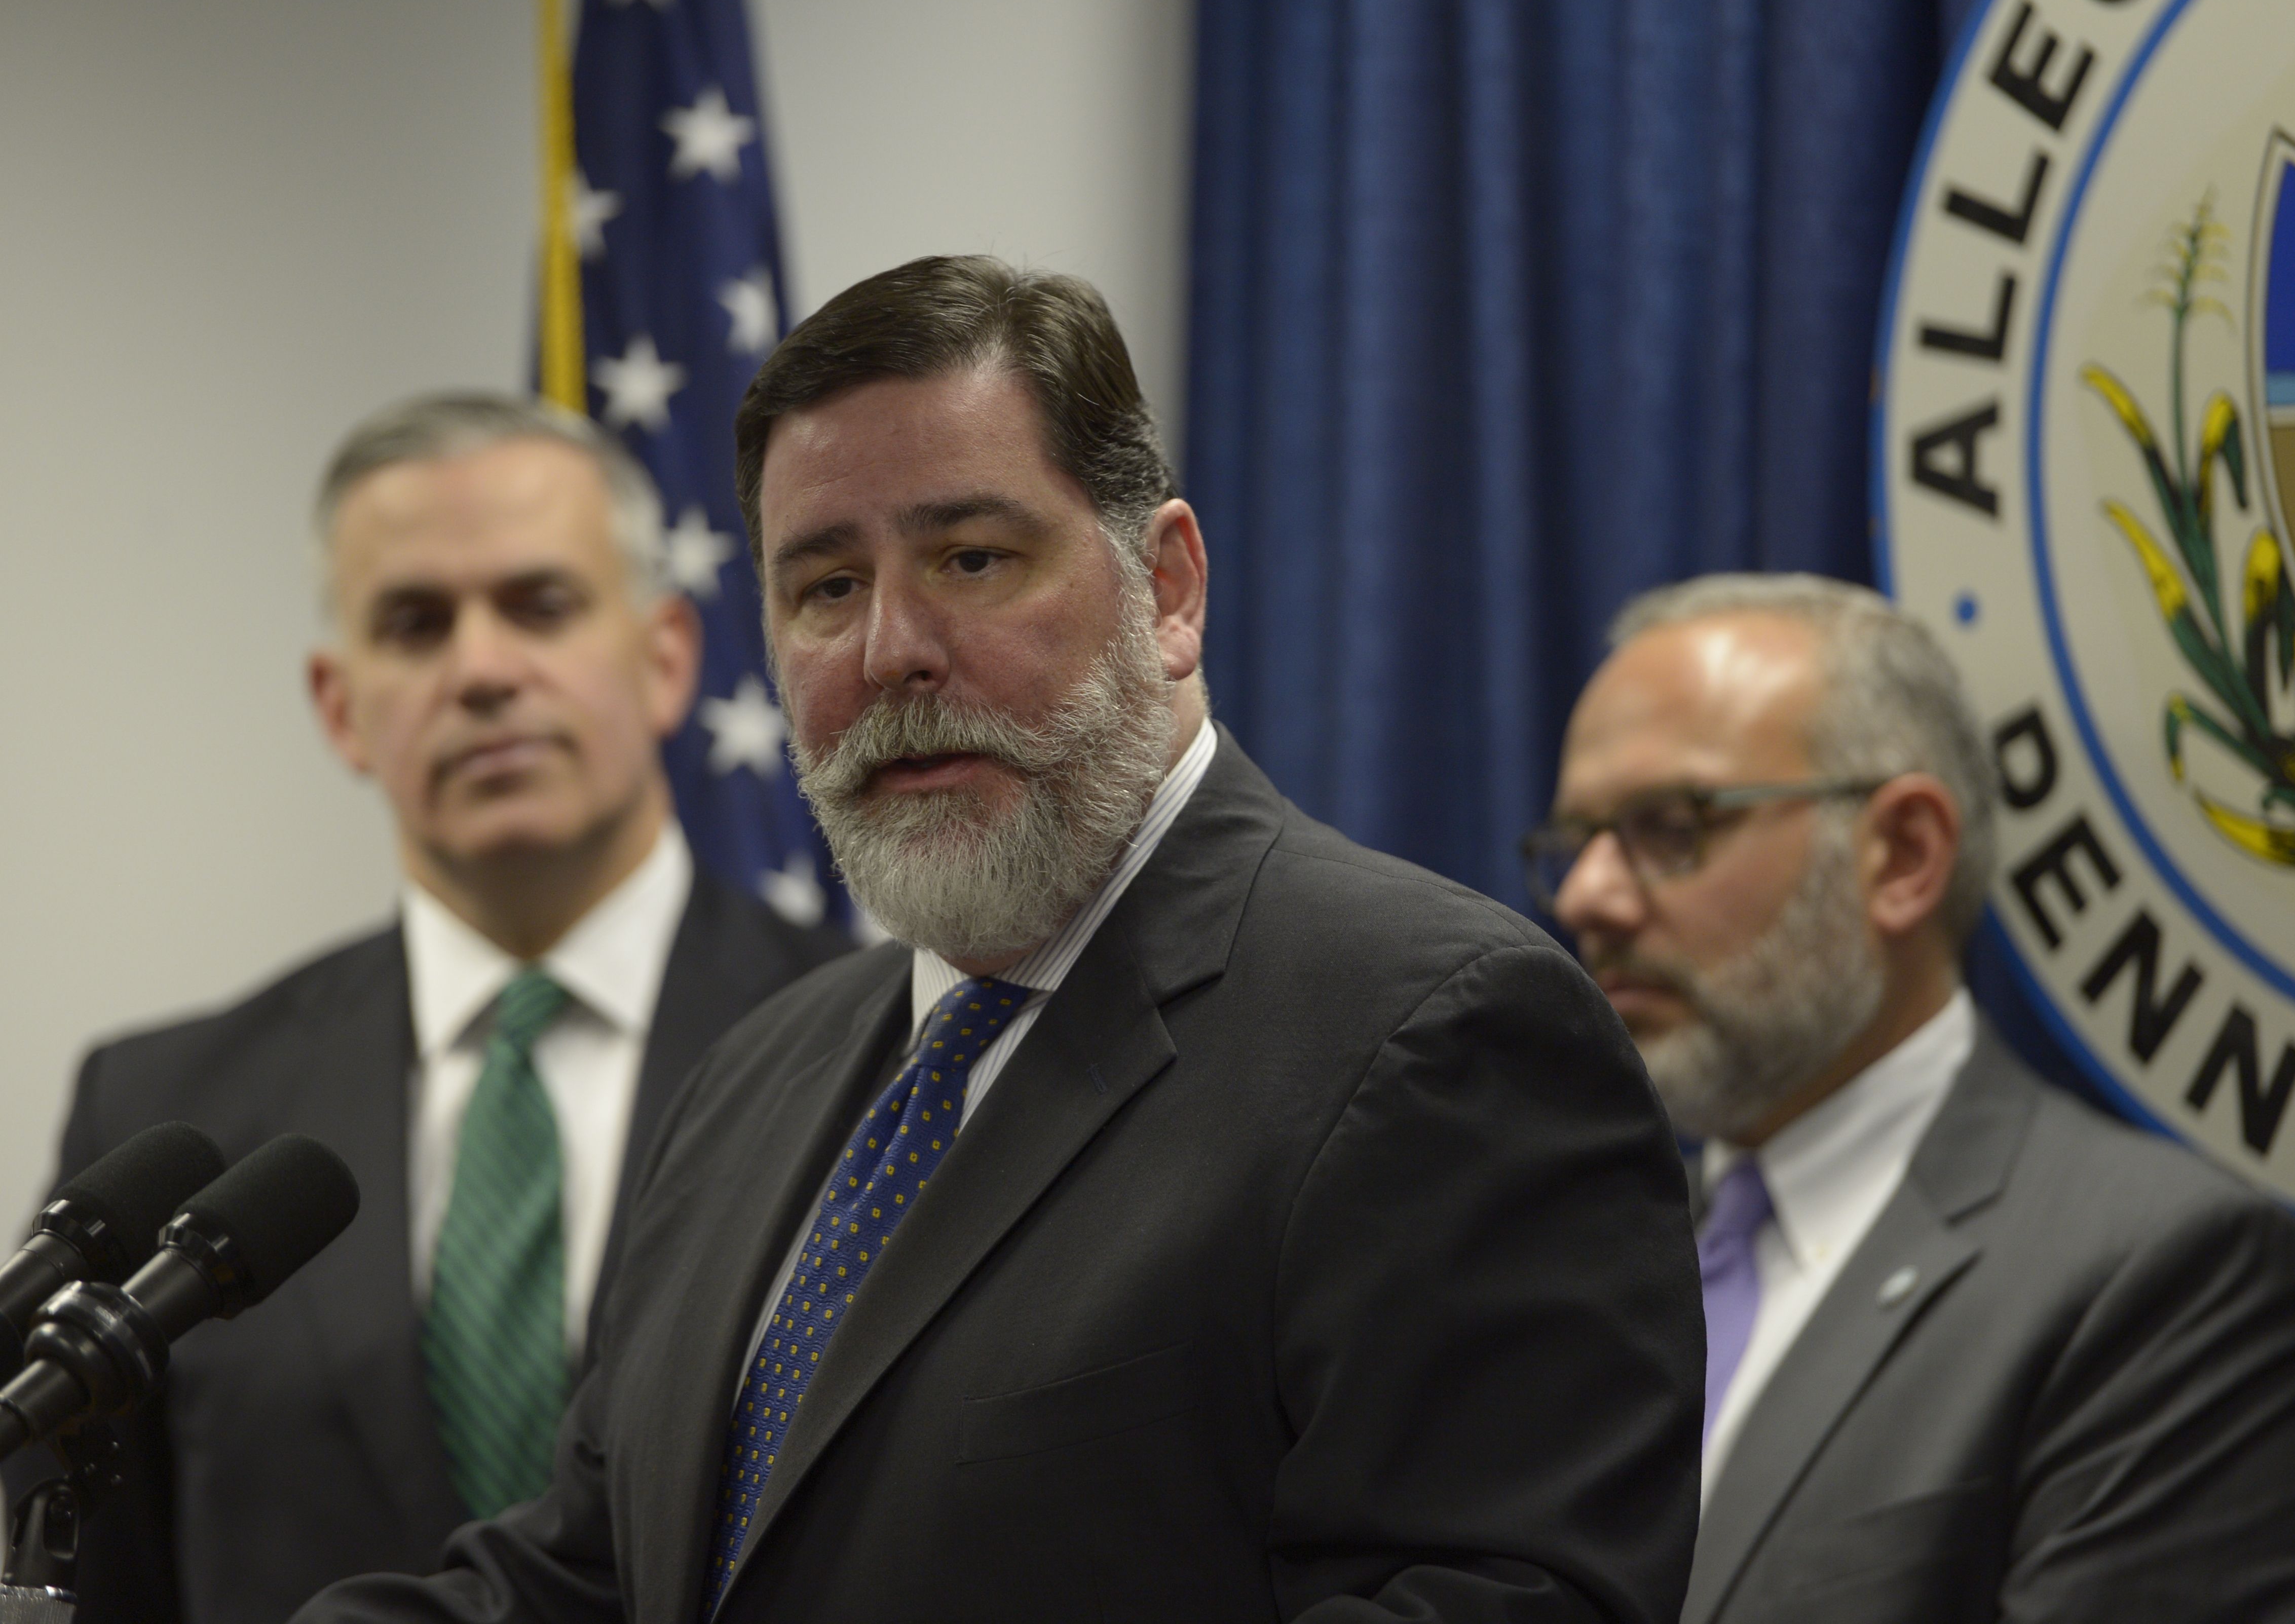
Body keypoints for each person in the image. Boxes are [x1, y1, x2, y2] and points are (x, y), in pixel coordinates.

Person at [292, 256, 1703, 1623]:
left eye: (972, 558)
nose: (892, 648)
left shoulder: (1435, 1032)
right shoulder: (760, 1073)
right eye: (825, 588)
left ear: (1170, 588)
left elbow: (1496, 1596)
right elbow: (596, 1577)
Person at [34, 395, 849, 1623]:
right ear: (339, 703)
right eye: (415, 624)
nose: (481, 670)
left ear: (668, 656)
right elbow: (97, 1575)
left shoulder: (878, 1050)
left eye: (541, 605)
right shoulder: (164, 1112)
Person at [1531, 574, 2295, 1623]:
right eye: (1576, 839)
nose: (1584, 897)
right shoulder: (1574, 1255)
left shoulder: (2161, 1274)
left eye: (1667, 825)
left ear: (1904, 855)